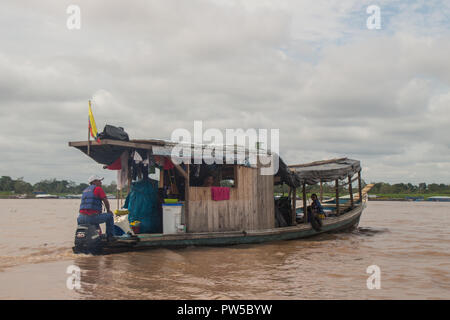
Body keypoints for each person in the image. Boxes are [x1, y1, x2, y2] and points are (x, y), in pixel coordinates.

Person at [77, 175, 115, 240]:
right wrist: (108, 210)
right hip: (91, 217)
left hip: (80, 218)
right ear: (94, 182)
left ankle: (97, 237)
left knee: (95, 221)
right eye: (99, 181)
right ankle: (110, 237)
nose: (101, 183)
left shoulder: (85, 190)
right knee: (110, 216)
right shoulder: (98, 188)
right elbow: (105, 200)